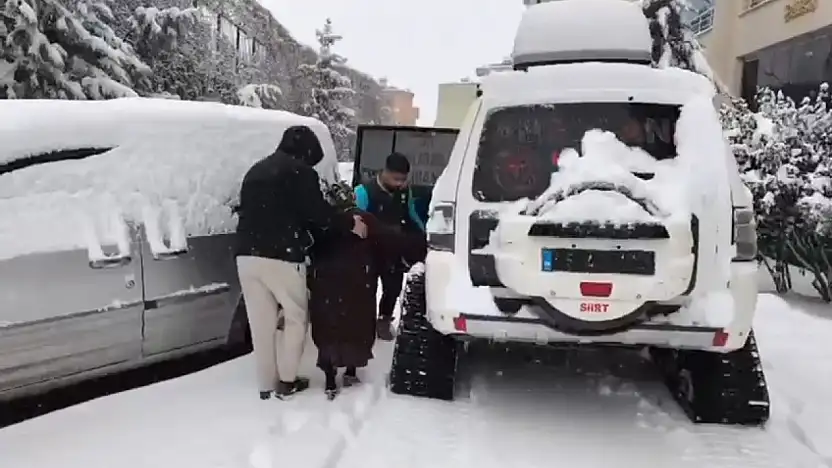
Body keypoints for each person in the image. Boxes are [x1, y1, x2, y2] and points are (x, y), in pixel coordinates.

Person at [234, 125, 367, 401]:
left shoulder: (256, 170)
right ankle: (286, 381)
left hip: (246, 255)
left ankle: (264, 384)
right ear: (307, 152)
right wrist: (349, 224)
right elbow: (318, 215)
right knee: (296, 318)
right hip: (282, 256)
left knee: (261, 324)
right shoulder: (300, 173)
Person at [307, 180, 426, 400]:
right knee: (357, 325)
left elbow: (311, 246)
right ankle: (351, 370)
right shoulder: (365, 220)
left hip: (326, 283)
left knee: (329, 328)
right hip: (359, 281)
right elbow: (391, 241)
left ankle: (330, 377)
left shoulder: (322, 223)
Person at [354, 153, 426, 341]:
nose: (399, 184)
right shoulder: (363, 191)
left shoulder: (404, 191)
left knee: (393, 288)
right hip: (369, 249)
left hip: (394, 249)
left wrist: (423, 234)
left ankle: (384, 320)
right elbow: (355, 221)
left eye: (403, 180)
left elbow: (410, 214)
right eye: (396, 179)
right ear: (385, 172)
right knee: (366, 289)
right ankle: (362, 322)